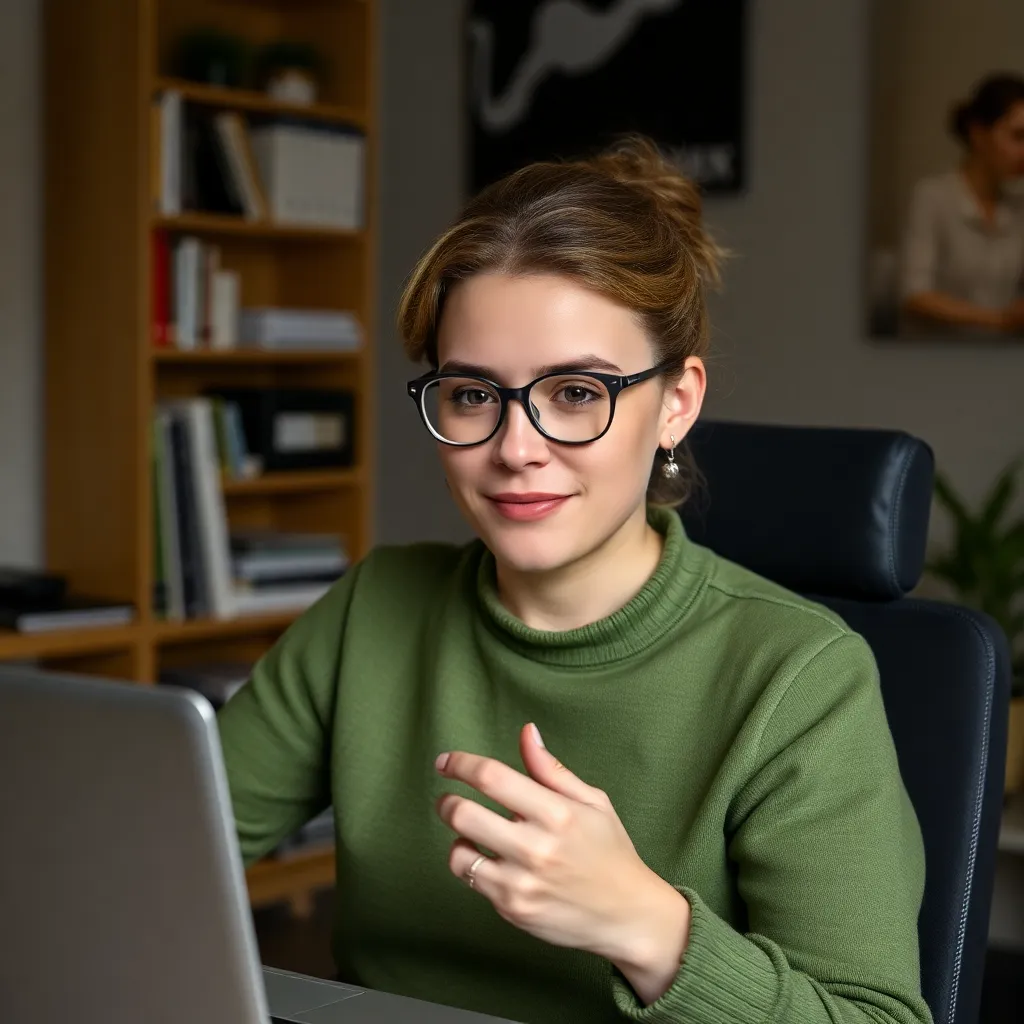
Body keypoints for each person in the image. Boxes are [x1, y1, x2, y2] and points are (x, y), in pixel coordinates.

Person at [217, 136, 932, 1024]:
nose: (517, 449)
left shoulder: (800, 677)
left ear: (677, 403)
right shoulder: (376, 608)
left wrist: (646, 925)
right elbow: (166, 844)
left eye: (577, 393)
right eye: (473, 394)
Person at [900, 73, 1024, 336]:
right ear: (979, 134)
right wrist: (998, 320)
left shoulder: (1018, 206)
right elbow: (915, 295)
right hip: (935, 362)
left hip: (999, 363)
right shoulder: (933, 197)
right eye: (1018, 136)